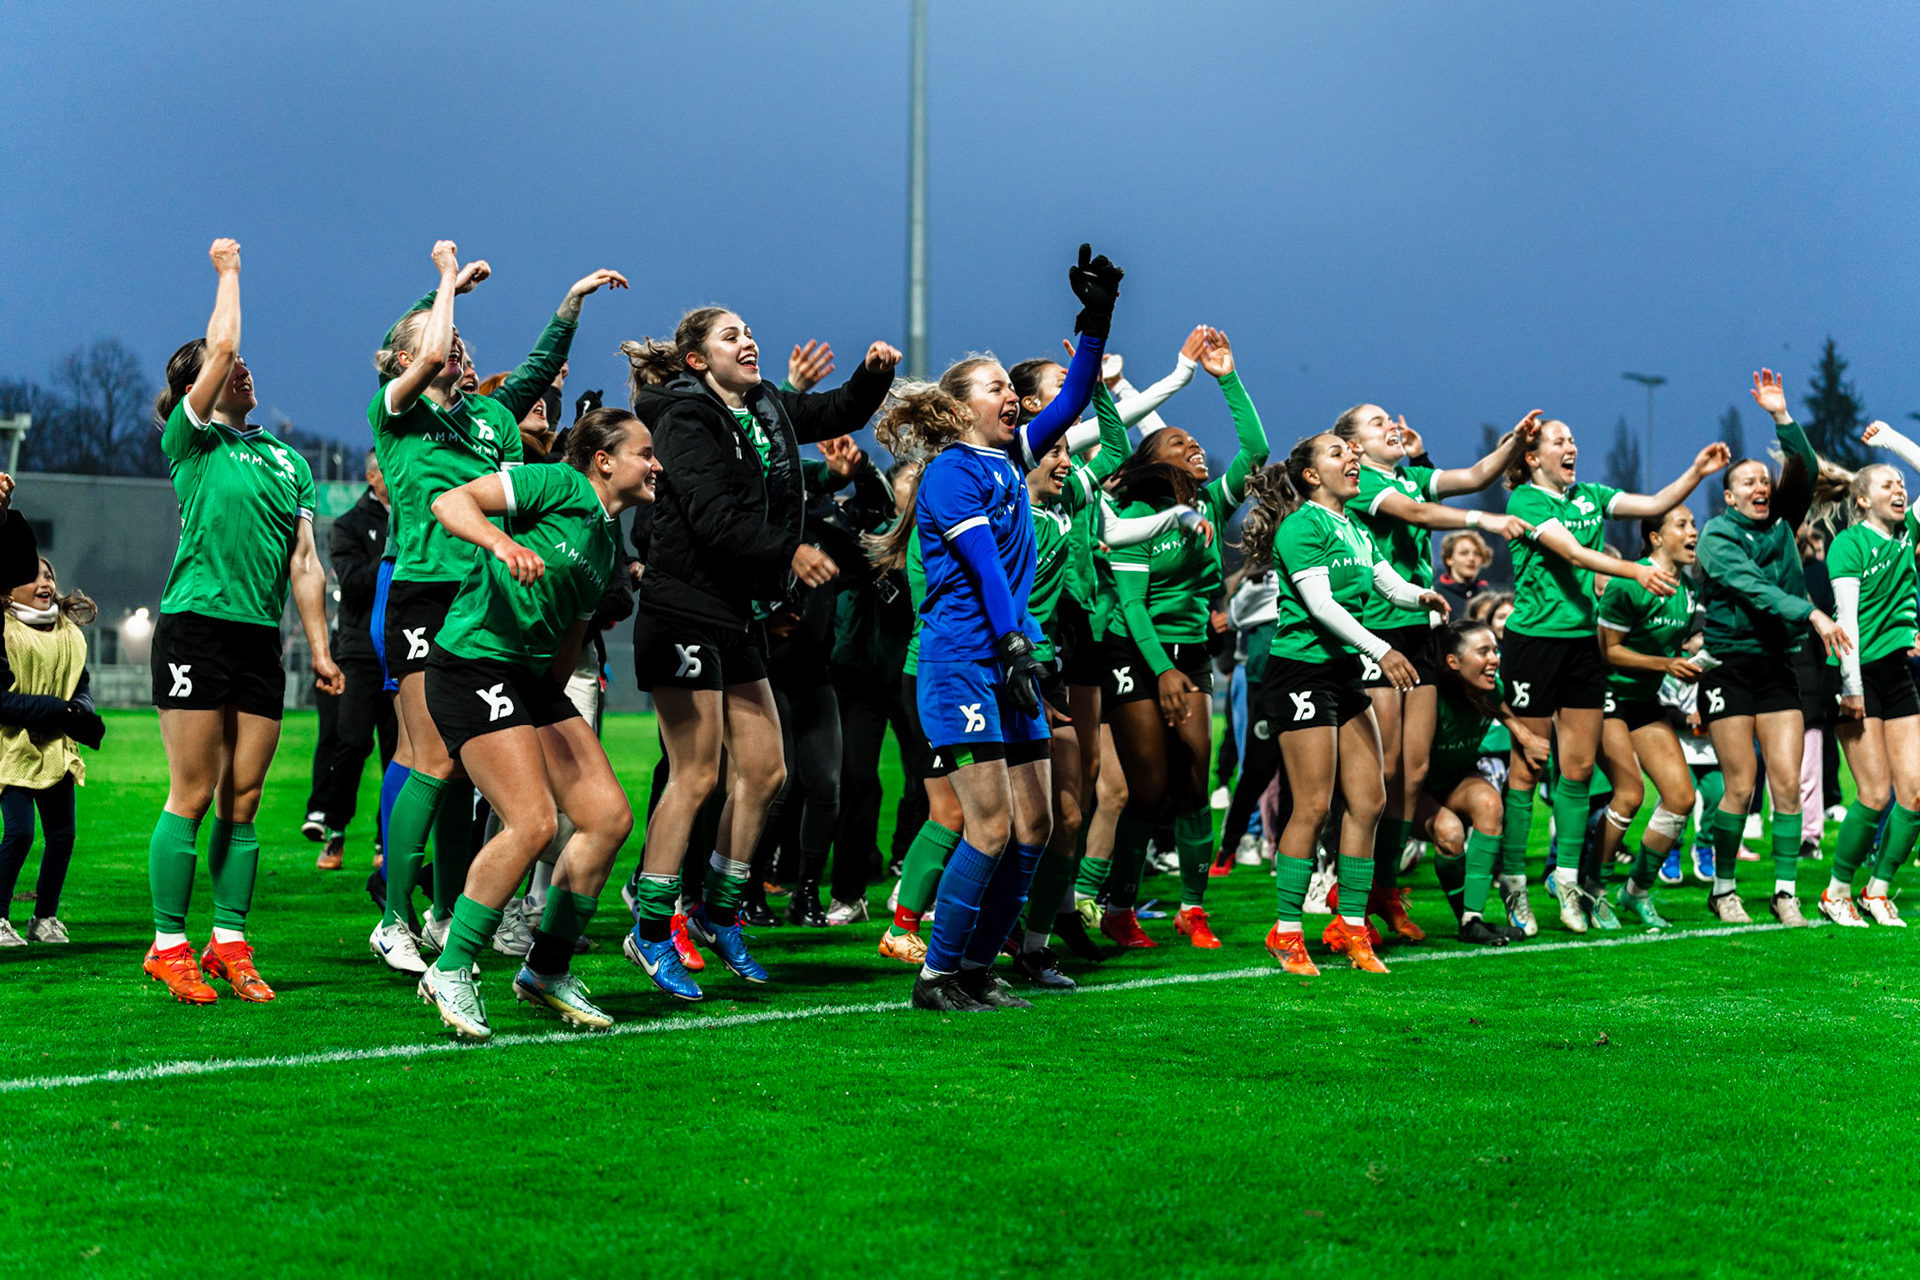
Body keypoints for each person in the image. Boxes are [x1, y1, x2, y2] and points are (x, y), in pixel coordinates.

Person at [618, 309, 899, 1000]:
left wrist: (871, 376)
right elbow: (713, 516)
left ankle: (719, 913)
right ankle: (651, 927)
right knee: (695, 775)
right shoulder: (685, 418)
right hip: (682, 610)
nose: (748, 341)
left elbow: (835, 410)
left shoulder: (765, 404)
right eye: (730, 336)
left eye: (747, 332)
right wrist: (790, 549)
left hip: (735, 617)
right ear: (695, 361)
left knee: (768, 771)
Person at [872, 243, 1122, 1010]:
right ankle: (936, 975)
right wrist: (1017, 644)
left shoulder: (1010, 456)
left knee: (1035, 825)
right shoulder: (953, 472)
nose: (1011, 396)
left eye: (1010, 388)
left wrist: (1096, 320)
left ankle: (979, 969)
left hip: (1010, 663)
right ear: (958, 410)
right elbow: (983, 567)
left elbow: (1071, 400)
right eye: (995, 388)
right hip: (965, 664)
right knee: (985, 827)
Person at [370, 248, 628, 973]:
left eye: (458, 341)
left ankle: (446, 911)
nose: (452, 347)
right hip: (425, 589)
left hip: (486, 598)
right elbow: (424, 355)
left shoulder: (489, 417)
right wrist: (444, 283)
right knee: (429, 757)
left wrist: (571, 305)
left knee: (463, 769)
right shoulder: (397, 409)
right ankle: (393, 921)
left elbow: (538, 370)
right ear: (403, 358)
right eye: (439, 339)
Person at [411, 407, 654, 1037]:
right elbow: (449, 501)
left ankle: (546, 969)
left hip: (529, 680)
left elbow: (571, 637)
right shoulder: (557, 483)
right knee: (533, 821)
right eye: (645, 453)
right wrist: (501, 542)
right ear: (604, 461)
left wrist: (548, 710)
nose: (656, 465)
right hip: (471, 662)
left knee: (608, 818)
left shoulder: (606, 541)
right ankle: (450, 968)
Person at [145, 238, 344, 1004]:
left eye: (244, 366)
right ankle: (168, 946)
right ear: (197, 386)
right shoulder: (192, 440)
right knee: (193, 793)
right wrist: (228, 272)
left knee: (244, 799)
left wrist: (319, 649)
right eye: (228, 367)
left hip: (261, 640)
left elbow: (305, 562)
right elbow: (224, 344)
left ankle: (228, 941)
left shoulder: (288, 462)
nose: (242, 369)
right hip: (195, 626)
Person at [1500, 416, 1727, 933]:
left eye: (1573, 438)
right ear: (1532, 458)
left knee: (1579, 770)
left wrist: (1696, 472)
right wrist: (1636, 570)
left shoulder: (1591, 496)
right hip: (1534, 643)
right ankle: (1514, 884)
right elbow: (1574, 553)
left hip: (1581, 647)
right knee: (1528, 768)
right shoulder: (1526, 501)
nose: (1571, 446)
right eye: (1559, 440)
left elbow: (1653, 503)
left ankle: (1571, 883)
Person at [1235, 433, 1451, 976]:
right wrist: (1382, 650)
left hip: (1341, 674)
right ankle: (1286, 931)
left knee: (1370, 800)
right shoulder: (1302, 525)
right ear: (1311, 475)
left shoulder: (1354, 527)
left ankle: (1350, 926)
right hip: (1301, 672)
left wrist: (1421, 596)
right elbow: (1321, 605)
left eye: (1351, 453)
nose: (1352, 458)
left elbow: (1388, 585)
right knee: (1312, 805)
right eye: (1338, 453)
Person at [1336, 407, 1536, 941]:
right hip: (1379, 631)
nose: (1390, 425)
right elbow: (1419, 515)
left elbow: (1476, 475)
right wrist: (1486, 521)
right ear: (1353, 446)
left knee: (1414, 768)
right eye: (1376, 423)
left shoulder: (1408, 475)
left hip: (1419, 631)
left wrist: (1516, 442)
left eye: (1389, 418)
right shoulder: (1365, 483)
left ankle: (1385, 890)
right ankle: (1348, 883)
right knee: (1382, 772)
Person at [1100, 328, 1269, 948]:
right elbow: (1132, 606)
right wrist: (1162, 670)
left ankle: (1191, 909)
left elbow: (1256, 450)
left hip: (1190, 654)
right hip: (1136, 652)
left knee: (1195, 783)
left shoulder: (1213, 508)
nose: (1193, 445)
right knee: (1147, 789)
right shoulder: (1135, 517)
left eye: (1194, 440)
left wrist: (1228, 377)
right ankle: (1118, 907)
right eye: (1178, 441)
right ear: (1152, 461)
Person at [1695, 370, 1849, 927]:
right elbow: (1754, 589)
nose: (1761, 486)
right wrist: (1810, 611)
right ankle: (1724, 888)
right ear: (1729, 496)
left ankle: (1785, 893)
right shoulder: (1716, 537)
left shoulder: (1782, 522)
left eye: (1765, 479)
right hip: (1730, 668)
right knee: (1740, 786)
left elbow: (1804, 466)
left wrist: (1781, 415)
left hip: (1777, 668)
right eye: (1749, 482)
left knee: (1787, 784)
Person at [1817, 422, 1920, 926]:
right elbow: (1847, 623)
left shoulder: (1908, 533)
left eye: (1902, 484)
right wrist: (1852, 688)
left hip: (1896, 672)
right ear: (1862, 500)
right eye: (1887, 484)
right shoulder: (1849, 544)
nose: (1899, 489)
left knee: (1915, 793)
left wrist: (1893, 441)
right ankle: (1836, 891)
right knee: (1875, 793)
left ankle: (1876, 892)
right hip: (1853, 674)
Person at [1594, 506, 1705, 928]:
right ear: (1655, 538)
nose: (1693, 531)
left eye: (1693, 524)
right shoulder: (1629, 581)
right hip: (1605, 695)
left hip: (1642, 699)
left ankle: (1636, 890)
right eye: (1682, 525)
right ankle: (1594, 889)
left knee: (1681, 797)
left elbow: (1668, 648)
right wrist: (1666, 664)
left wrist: (1691, 662)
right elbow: (1609, 651)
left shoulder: (1687, 589)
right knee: (1629, 794)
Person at [1419, 619, 1545, 944]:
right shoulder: (1430, 697)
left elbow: (1500, 706)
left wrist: (1524, 734)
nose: (1494, 659)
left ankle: (1471, 919)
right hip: (1412, 790)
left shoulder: (1490, 687)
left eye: (1495, 650)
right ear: (1453, 661)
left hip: (1454, 779)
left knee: (1490, 804)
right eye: (1483, 652)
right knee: (1450, 832)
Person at [0, 558, 105, 945]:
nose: (44, 582)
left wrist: (80, 711)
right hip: (10, 747)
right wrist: (56, 711)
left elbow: (82, 688)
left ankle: (44, 918)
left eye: (49, 576)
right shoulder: (3, 630)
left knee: (62, 836)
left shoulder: (69, 634)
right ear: (7, 590)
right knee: (19, 833)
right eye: (32, 576)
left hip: (56, 747)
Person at [309, 449, 396, 871]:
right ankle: (336, 830)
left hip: (402, 648)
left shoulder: (418, 516)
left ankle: (386, 839)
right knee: (353, 742)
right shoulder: (349, 525)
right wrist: (395, 554)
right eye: (388, 470)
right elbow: (354, 584)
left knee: (399, 751)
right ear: (372, 477)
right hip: (360, 651)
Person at [1436, 530, 1493, 615]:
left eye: (1477, 554)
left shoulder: (1488, 595)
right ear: (1449, 559)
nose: (1471, 558)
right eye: (1464, 553)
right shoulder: (1436, 593)